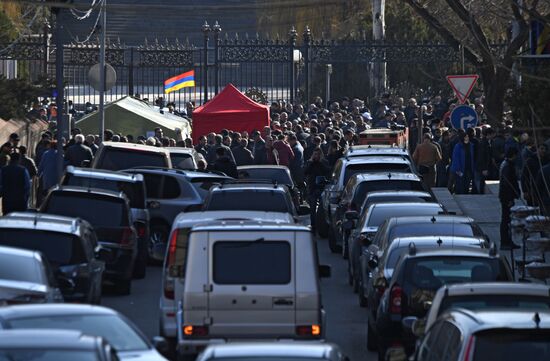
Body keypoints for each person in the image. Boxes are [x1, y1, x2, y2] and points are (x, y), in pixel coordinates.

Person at [304, 148, 331, 233]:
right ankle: (313, 225)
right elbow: (305, 171)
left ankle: (322, 225)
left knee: (322, 208)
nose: (316, 156)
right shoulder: (310, 162)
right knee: (312, 208)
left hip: (322, 187)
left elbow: (327, 171)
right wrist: (311, 162)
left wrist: (320, 162)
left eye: (318, 154)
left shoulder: (324, 162)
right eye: (315, 154)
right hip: (312, 188)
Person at [499, 147, 521, 250]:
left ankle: (508, 241)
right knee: (506, 220)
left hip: (506, 196)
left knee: (508, 220)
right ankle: (505, 242)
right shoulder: (507, 166)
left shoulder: (507, 164)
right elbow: (507, 184)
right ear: (513, 155)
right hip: (506, 197)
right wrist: (509, 199)